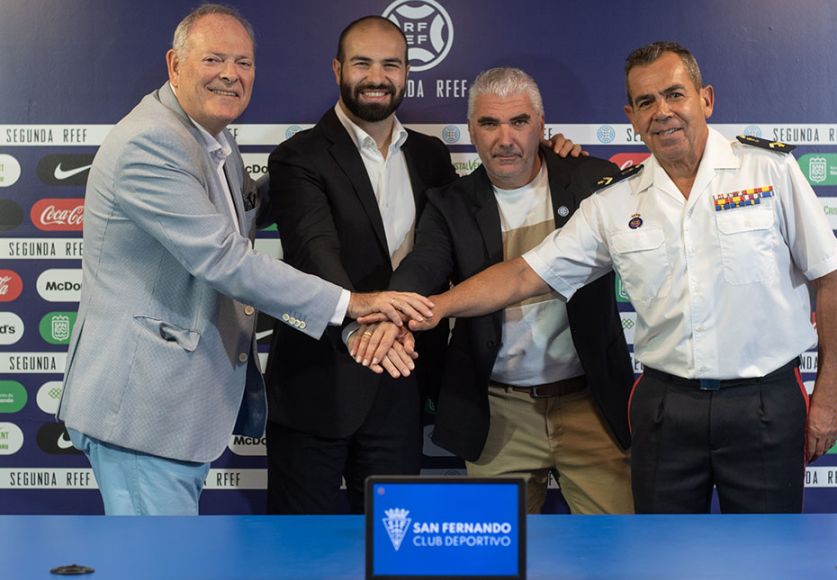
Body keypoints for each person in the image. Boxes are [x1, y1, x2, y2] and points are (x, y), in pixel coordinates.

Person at [360, 42, 837, 514]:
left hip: (764, 401)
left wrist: (827, 397)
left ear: (706, 99)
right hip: (664, 408)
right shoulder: (614, 201)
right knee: (658, 557)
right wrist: (433, 307)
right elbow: (524, 275)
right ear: (631, 117)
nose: (661, 111)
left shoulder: (770, 172)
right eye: (645, 102)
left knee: (767, 555)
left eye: (674, 94)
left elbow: (830, 279)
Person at [57, 4, 432, 516]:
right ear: (175, 65)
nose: (231, 75)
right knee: (156, 565)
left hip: (174, 408)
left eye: (244, 63)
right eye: (214, 59)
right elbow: (224, 258)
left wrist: (311, 180)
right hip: (142, 408)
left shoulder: (211, 137)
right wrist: (351, 304)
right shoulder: (152, 142)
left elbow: (247, 207)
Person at [264, 17, 583, 514]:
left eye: (390, 64)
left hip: (401, 384)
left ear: (407, 72)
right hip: (317, 385)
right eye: (362, 63)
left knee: (393, 546)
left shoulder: (432, 156)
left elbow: (439, 254)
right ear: (337, 69)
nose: (377, 76)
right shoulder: (297, 156)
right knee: (299, 552)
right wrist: (363, 330)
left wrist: (558, 155)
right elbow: (314, 255)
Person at [360, 67, 634, 514]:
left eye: (519, 122)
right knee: (491, 560)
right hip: (498, 413)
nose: (505, 138)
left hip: (592, 407)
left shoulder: (593, 182)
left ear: (542, 127)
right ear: (471, 130)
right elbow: (424, 264)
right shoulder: (448, 203)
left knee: (618, 552)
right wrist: (393, 307)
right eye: (489, 123)